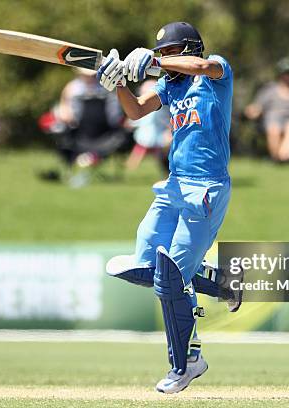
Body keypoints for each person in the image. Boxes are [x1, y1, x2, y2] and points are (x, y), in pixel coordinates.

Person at [97, 22, 240, 393]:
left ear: (190, 48)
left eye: (169, 52)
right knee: (144, 266)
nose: (163, 59)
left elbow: (201, 66)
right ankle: (220, 281)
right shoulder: (170, 85)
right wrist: (119, 83)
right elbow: (135, 111)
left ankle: (188, 362)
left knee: (170, 277)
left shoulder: (216, 71)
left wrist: (154, 61)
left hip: (206, 188)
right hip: (174, 186)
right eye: (160, 54)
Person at [38, 67, 128, 186]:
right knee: (60, 135)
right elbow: (65, 113)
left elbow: (115, 116)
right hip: (79, 134)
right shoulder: (72, 88)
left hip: (105, 136)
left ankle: (84, 164)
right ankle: (77, 166)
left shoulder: (106, 89)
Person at [125, 79, 171, 171]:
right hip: (150, 137)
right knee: (160, 151)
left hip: (153, 137)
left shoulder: (160, 110)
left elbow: (131, 122)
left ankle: (130, 168)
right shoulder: (160, 110)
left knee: (160, 150)